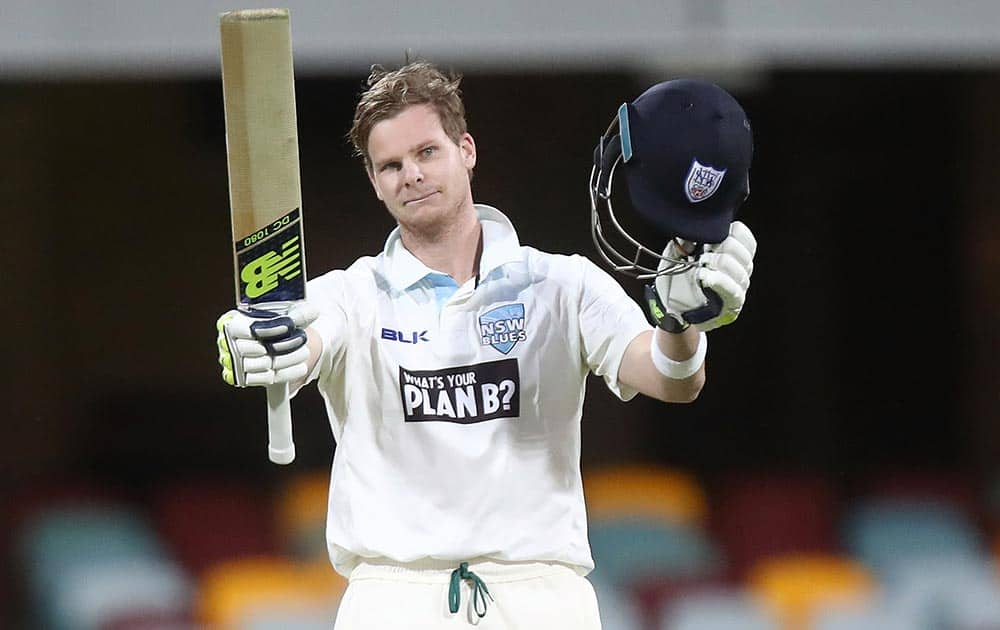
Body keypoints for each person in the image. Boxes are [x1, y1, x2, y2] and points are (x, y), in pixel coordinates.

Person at [216, 61, 756, 629]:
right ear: (375, 182)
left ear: (466, 150)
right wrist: (267, 347)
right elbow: (306, 339)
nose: (411, 175)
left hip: (541, 594)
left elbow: (672, 380)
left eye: (427, 153)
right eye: (391, 165)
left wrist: (679, 321)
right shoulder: (352, 294)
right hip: (395, 597)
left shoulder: (562, 285)